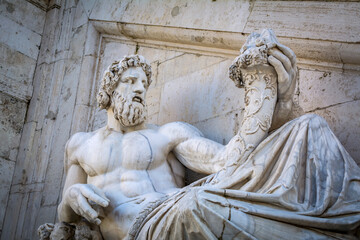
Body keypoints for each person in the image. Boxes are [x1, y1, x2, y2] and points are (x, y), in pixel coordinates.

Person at [53, 30, 360, 240]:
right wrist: (70, 197)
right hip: (138, 227)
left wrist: (281, 102)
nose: (139, 90)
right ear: (108, 90)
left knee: (309, 128)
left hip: (171, 209)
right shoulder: (80, 145)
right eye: (130, 81)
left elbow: (227, 162)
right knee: (195, 205)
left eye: (143, 85)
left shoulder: (168, 134)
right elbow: (62, 223)